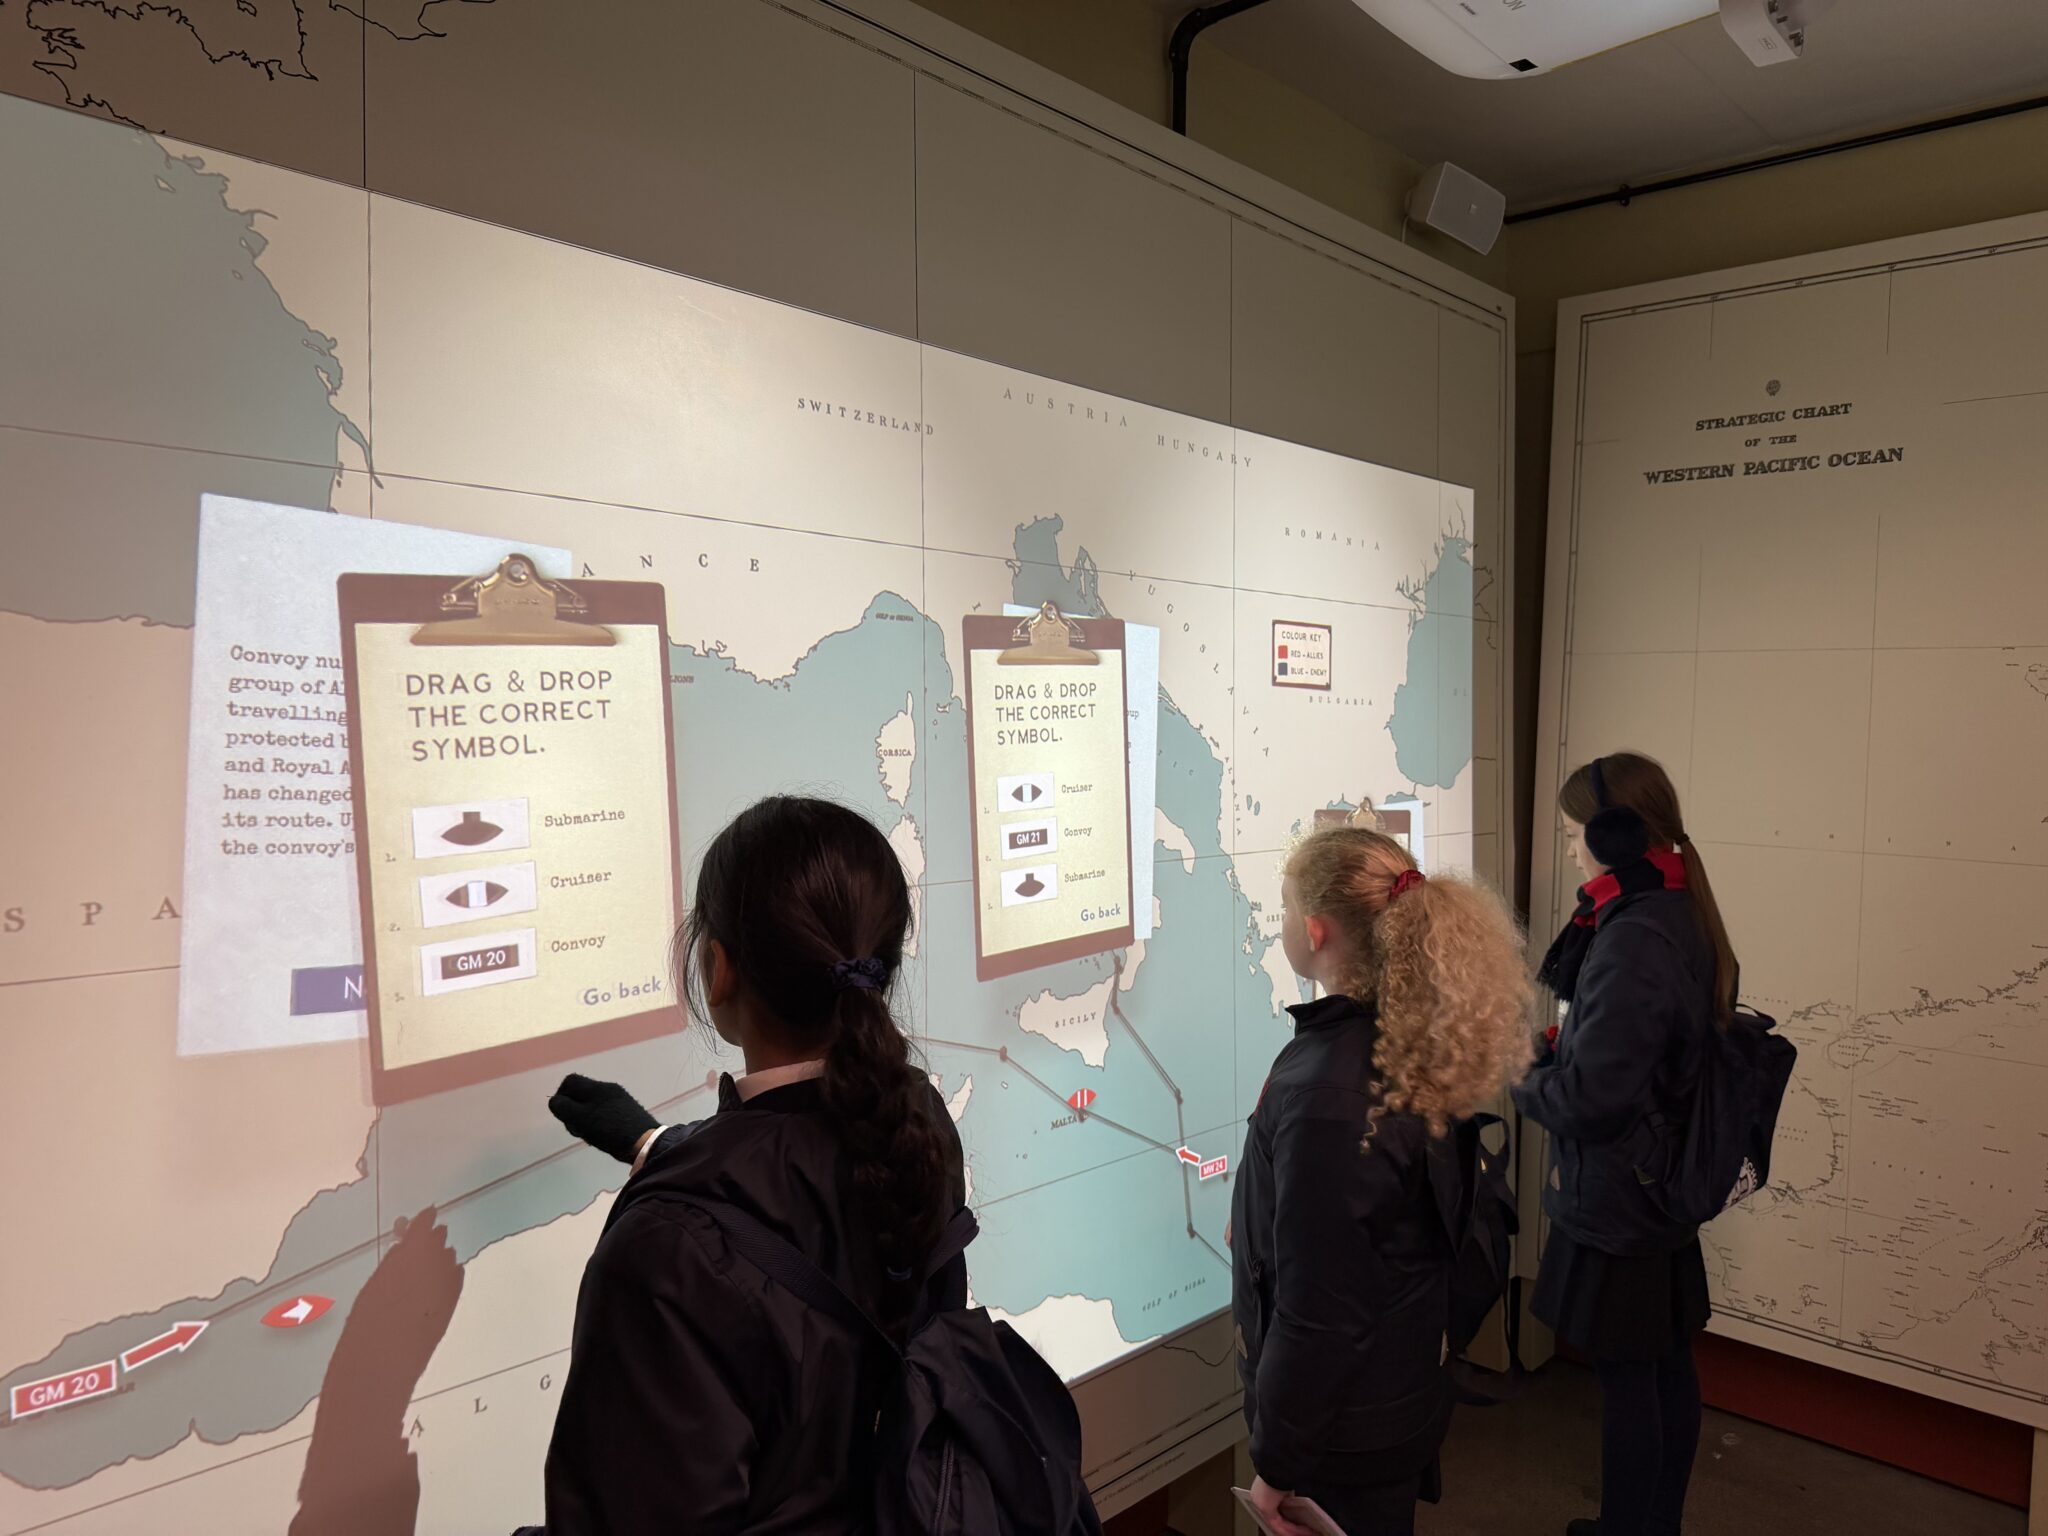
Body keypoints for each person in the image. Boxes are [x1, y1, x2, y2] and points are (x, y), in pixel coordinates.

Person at [526, 795, 966, 1534]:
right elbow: (803, 1210)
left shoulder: (663, 1258)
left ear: (718, 968)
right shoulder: (919, 1127)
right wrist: (657, 1148)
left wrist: (678, 1188)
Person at [1233, 824, 1533, 1536]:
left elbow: (1320, 1312)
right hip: (1392, 1393)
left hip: (1340, 1439)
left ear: (1316, 929)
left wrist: (1277, 1466)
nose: (1283, 923)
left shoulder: (1329, 1094)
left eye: (1285, 908)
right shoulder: (1406, 1043)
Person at [1513, 752, 1735, 1536]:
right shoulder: (1673, 905)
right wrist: (1559, 1051)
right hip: (1657, 1182)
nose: (1571, 848)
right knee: (1664, 1363)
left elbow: (1593, 1100)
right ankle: (1653, 1525)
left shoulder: (1634, 936)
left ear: (1612, 836)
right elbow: (1631, 1053)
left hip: (1623, 1197)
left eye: (1575, 832)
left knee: (1630, 1379)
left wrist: (1513, 1074)